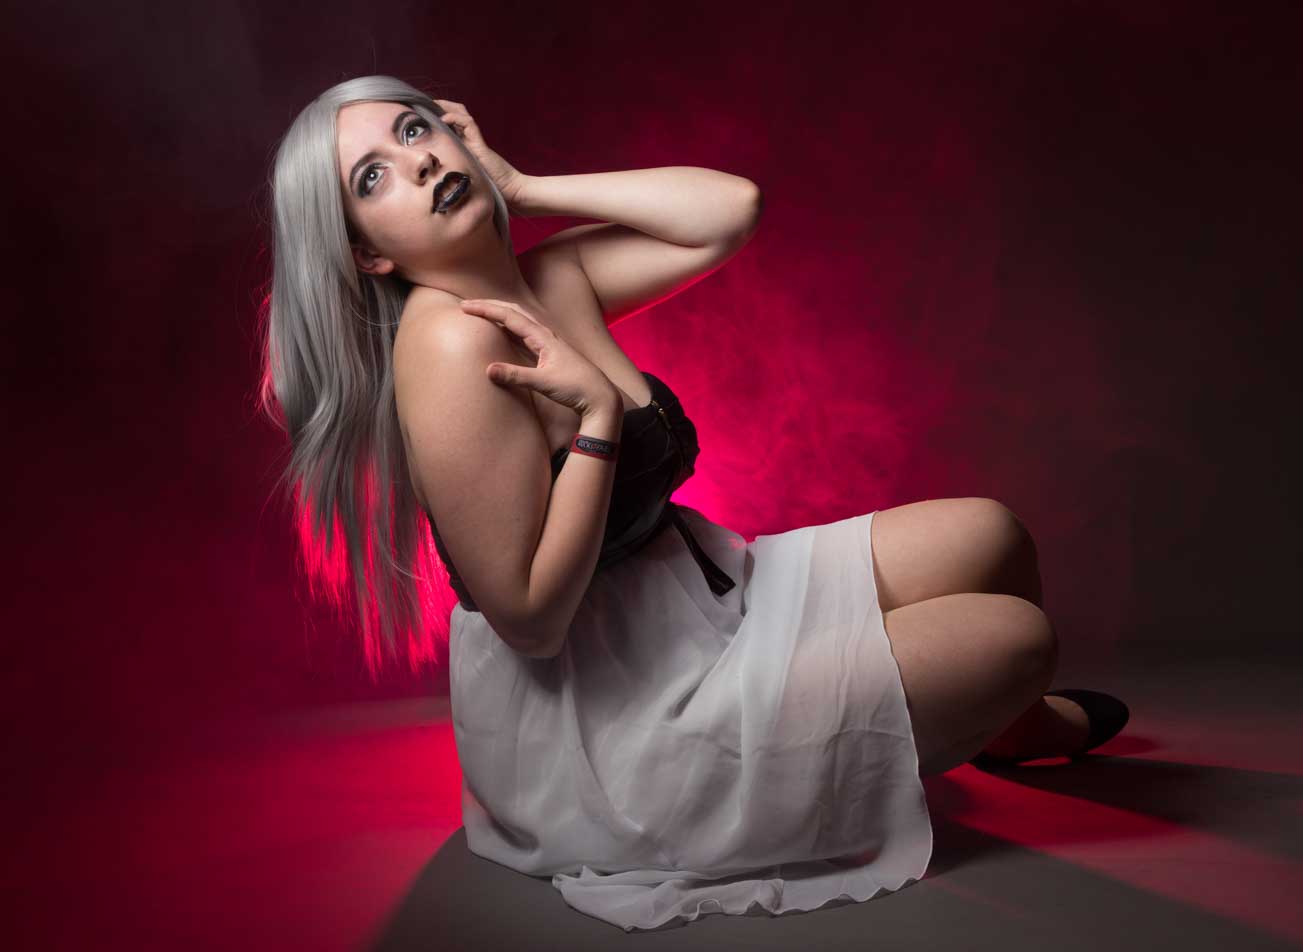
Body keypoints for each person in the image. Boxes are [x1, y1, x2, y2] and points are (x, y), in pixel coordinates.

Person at [256, 74, 1130, 932]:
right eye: (370, 178)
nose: (415, 164)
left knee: (991, 535)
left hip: (695, 602)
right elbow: (528, 620)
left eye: (414, 131)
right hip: (623, 718)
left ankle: (1009, 728)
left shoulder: (546, 278)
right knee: (1019, 637)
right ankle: (990, 706)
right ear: (367, 252)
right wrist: (597, 416)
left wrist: (524, 186)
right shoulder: (447, 344)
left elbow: (729, 211)